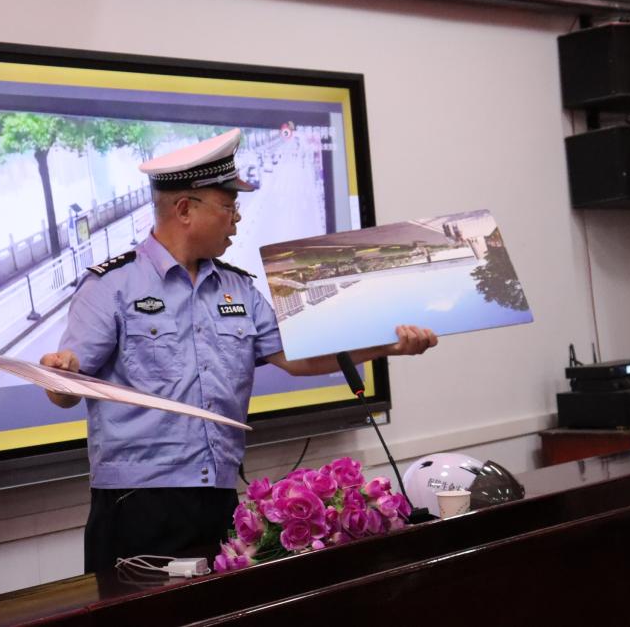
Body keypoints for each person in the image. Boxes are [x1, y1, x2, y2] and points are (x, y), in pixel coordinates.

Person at [40, 128, 437, 573]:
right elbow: (64, 387)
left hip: (220, 498)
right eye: (229, 207)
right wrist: (60, 374)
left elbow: (298, 356)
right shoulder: (111, 286)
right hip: (139, 503)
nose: (238, 219)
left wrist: (388, 345)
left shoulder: (238, 288)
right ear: (184, 209)